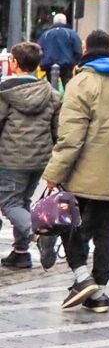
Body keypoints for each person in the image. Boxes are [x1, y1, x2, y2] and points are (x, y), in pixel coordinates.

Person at [44, 30, 109, 313]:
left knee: (69, 225)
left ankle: (81, 276)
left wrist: (55, 173)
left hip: (82, 172)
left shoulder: (81, 83)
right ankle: (98, 291)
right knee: (104, 230)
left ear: (85, 48)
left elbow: (71, 137)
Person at [0, 42, 60, 269]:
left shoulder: (6, 94)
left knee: (9, 204)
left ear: (14, 63)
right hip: (40, 159)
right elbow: (57, 130)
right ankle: (20, 251)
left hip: (11, 159)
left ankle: (39, 235)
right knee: (23, 202)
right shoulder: (51, 94)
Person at [38, 13, 82, 87]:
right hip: (67, 66)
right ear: (65, 21)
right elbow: (78, 51)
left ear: (54, 22)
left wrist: (44, 61)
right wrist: (73, 63)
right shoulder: (71, 33)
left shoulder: (45, 34)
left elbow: (39, 50)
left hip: (49, 66)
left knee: (52, 87)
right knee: (67, 87)